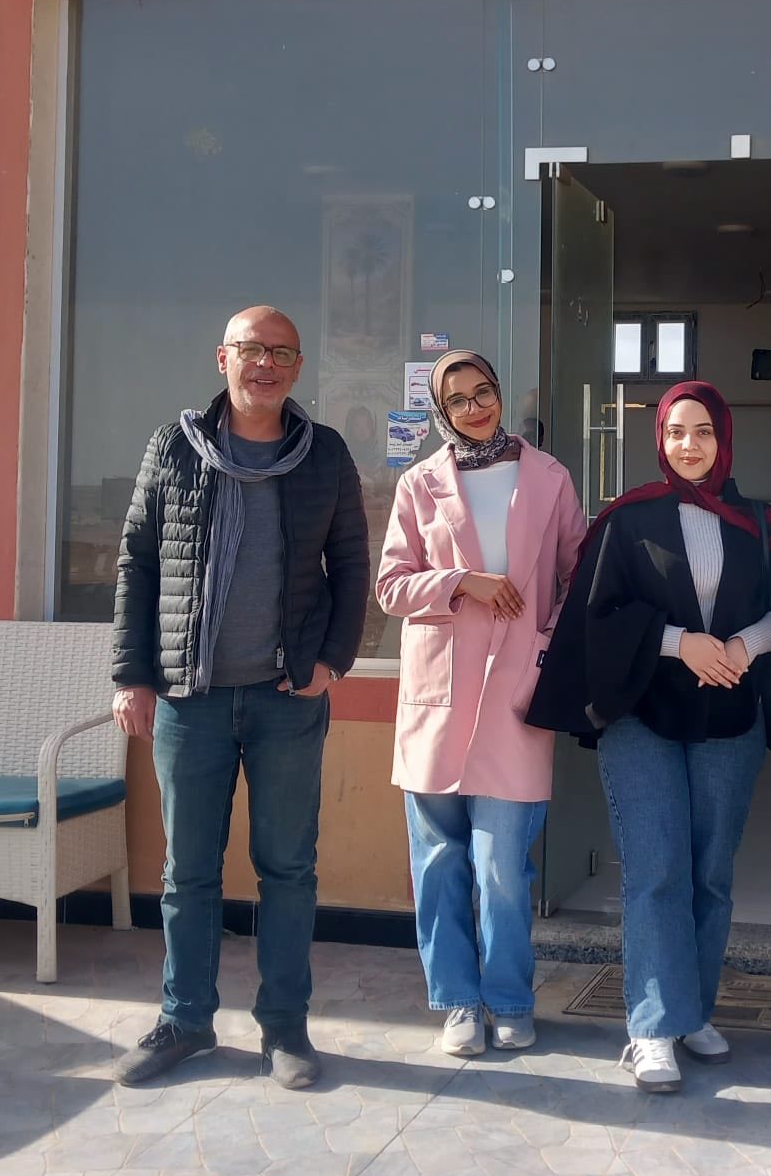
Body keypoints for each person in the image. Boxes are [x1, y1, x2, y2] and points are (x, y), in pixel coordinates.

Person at [110, 307, 369, 1089]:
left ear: (297, 366)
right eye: (253, 350)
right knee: (188, 870)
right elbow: (138, 563)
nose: (267, 364)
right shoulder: (174, 448)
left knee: (288, 869)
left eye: (283, 352)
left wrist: (331, 662)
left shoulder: (322, 453)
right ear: (222, 357)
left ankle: (284, 1029)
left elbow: (352, 564)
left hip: (287, 697)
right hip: (190, 699)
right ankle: (185, 1020)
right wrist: (133, 673)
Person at [527, 382, 771, 1093]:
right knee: (655, 870)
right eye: (677, 431)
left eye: (704, 432)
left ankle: (693, 1013)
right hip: (643, 715)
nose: (690, 445)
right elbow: (595, 613)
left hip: (728, 717)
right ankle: (652, 1027)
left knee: (710, 871)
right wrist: (679, 642)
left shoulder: (758, 522)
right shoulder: (628, 520)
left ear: (725, 439)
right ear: (658, 438)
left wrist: (745, 644)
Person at [376, 349, 585, 1056]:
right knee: (438, 860)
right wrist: (462, 582)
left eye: (484, 392)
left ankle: (508, 997)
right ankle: (458, 1002)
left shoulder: (549, 478)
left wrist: (545, 648)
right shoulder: (418, 485)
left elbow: (576, 576)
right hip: (440, 696)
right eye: (458, 399)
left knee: (501, 864)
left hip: (516, 695)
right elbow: (392, 586)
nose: (474, 407)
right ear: (441, 411)